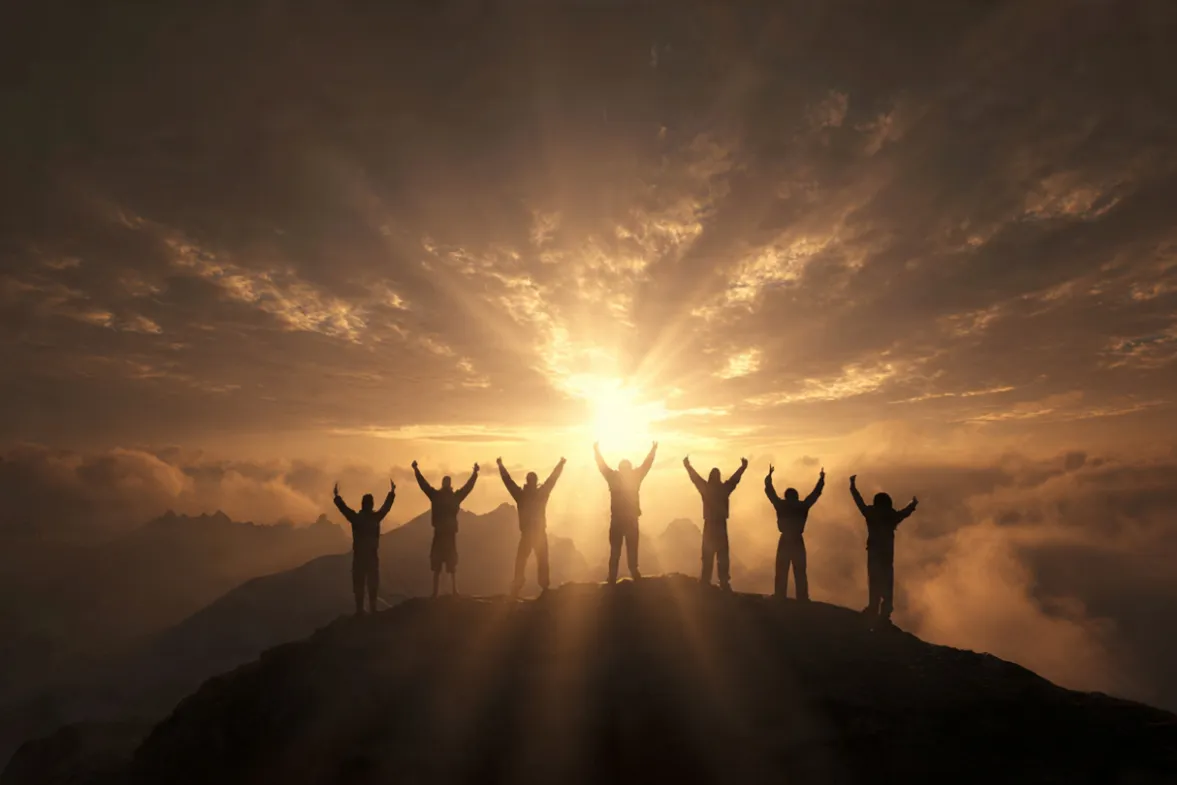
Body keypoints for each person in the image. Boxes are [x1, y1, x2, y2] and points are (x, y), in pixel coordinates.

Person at [850, 474, 918, 626]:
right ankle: (884, 614)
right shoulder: (891, 516)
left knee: (874, 582)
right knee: (887, 584)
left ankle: (873, 609)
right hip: (887, 556)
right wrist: (913, 504)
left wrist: (852, 486)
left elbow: (859, 502)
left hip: (874, 554)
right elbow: (904, 513)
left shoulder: (871, 513)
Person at [497, 456, 566, 597]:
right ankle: (544, 587)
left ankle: (518, 585)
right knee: (541, 561)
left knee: (522, 561)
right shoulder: (541, 494)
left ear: (527, 482)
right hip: (539, 534)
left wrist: (501, 466)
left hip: (527, 534)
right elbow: (552, 479)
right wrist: (561, 464)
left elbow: (508, 481)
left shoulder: (521, 496)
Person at [413, 460, 479, 598]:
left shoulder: (436, 496)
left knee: (438, 563)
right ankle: (453, 590)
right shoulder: (454, 497)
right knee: (450, 562)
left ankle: (436, 592)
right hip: (448, 534)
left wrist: (416, 470)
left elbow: (424, 485)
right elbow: (467, 488)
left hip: (440, 533)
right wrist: (474, 474)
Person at [594, 441, 657, 583]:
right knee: (631, 548)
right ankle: (633, 573)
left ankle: (612, 576)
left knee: (616, 550)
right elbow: (646, 465)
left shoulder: (613, 478)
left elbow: (602, 466)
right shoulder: (635, 477)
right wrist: (653, 450)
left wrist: (596, 451)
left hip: (618, 520)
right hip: (630, 520)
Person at [683, 455, 748, 590]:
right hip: (721, 525)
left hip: (709, 525)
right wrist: (742, 467)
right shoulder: (724, 489)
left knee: (707, 554)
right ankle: (723, 582)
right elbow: (734, 480)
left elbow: (695, 479)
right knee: (722, 555)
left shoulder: (706, 489)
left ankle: (705, 580)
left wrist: (688, 466)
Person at [332, 480, 395, 615]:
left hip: (360, 557)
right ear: (371, 504)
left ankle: (360, 611)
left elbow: (344, 510)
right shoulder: (375, 518)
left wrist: (337, 497)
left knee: (359, 584)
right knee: (372, 583)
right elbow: (386, 508)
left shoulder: (357, 518)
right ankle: (372, 609)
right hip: (371, 556)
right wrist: (392, 493)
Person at [765, 466, 825, 600]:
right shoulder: (802, 506)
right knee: (800, 570)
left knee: (782, 569)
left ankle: (780, 595)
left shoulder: (781, 505)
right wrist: (821, 480)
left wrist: (769, 478)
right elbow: (815, 495)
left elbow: (770, 493)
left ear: (786, 496)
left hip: (785, 539)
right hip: (797, 540)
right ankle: (802, 597)